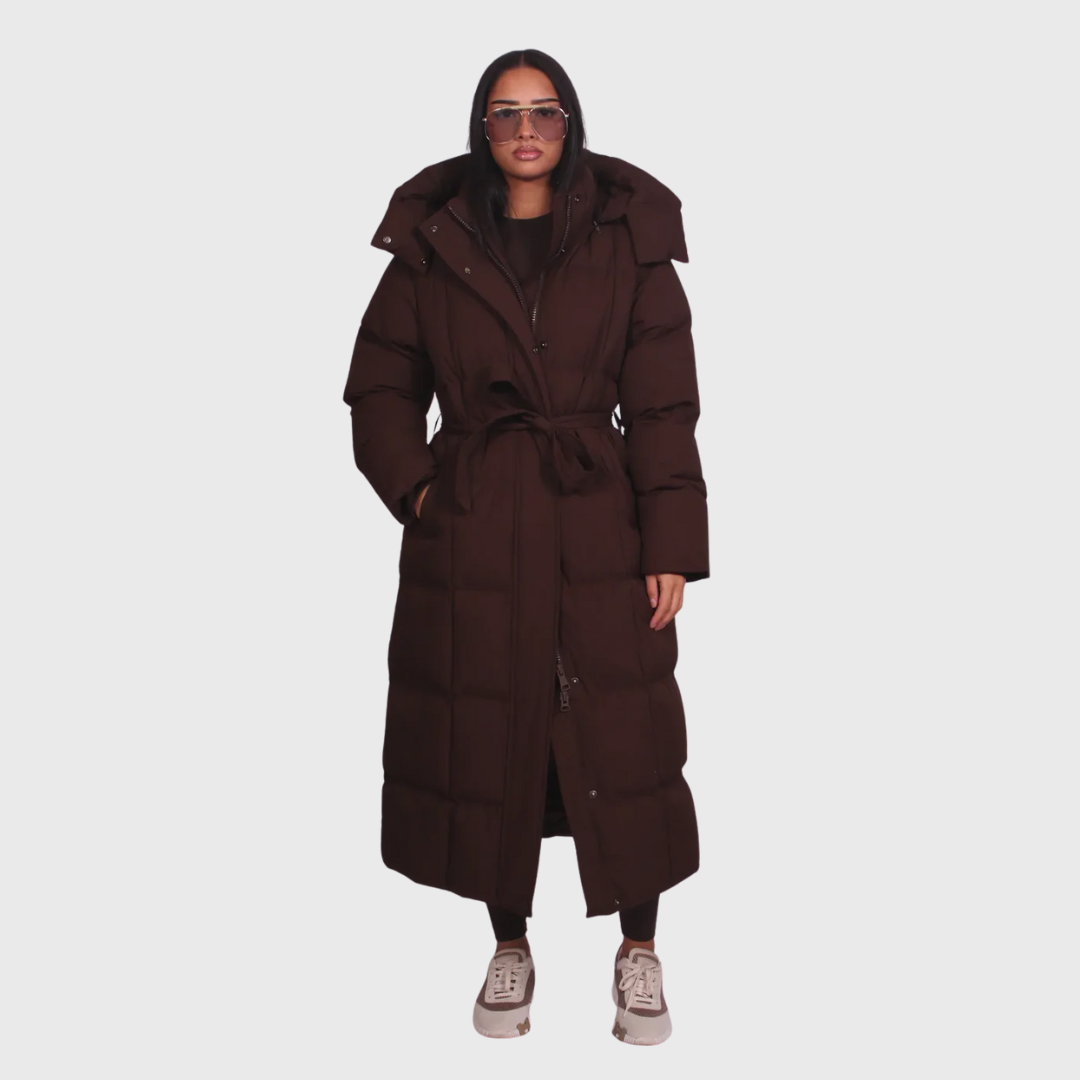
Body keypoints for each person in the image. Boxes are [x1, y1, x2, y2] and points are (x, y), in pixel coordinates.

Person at [342, 48, 708, 1046]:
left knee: (623, 734)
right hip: (476, 519)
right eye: (505, 113)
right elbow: (381, 386)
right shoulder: (435, 238)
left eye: (543, 110)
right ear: (483, 127)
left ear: (569, 121)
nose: (526, 129)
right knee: (489, 727)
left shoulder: (628, 232)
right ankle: (510, 943)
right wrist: (423, 493)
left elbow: (664, 405)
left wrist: (671, 543)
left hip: (600, 518)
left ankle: (639, 949)